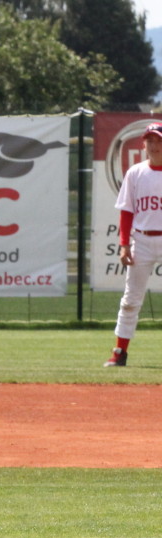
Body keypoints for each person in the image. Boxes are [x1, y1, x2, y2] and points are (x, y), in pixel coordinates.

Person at [104, 121, 162, 368]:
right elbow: (127, 212)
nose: (154, 144)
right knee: (131, 299)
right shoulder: (135, 173)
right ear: (144, 144)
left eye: (159, 140)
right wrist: (124, 244)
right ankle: (120, 352)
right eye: (150, 140)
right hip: (142, 239)